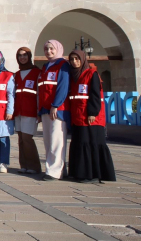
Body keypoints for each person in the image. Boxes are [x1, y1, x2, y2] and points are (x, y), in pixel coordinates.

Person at [67, 49, 116, 183]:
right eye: (72, 59)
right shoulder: (73, 76)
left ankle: (93, 175)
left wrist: (92, 113)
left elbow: (95, 95)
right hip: (77, 117)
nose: (74, 62)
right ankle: (80, 173)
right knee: (80, 143)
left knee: (91, 144)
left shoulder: (92, 74)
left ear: (83, 59)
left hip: (90, 117)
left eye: (77, 59)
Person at [38, 40, 70, 181]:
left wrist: (55, 105)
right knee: (48, 140)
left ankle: (55, 171)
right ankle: (55, 167)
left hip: (57, 109)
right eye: (46, 49)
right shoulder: (45, 67)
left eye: (51, 49)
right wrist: (40, 110)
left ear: (58, 49)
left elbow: (63, 87)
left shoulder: (63, 66)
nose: (48, 51)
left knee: (57, 140)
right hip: (45, 109)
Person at [14, 47, 42, 174]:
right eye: (20, 55)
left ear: (29, 56)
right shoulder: (17, 74)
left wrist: (39, 111)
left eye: (25, 55)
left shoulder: (37, 72)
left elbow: (39, 94)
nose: (22, 57)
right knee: (20, 138)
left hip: (30, 111)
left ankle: (34, 166)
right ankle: (24, 165)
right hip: (18, 111)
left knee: (27, 138)